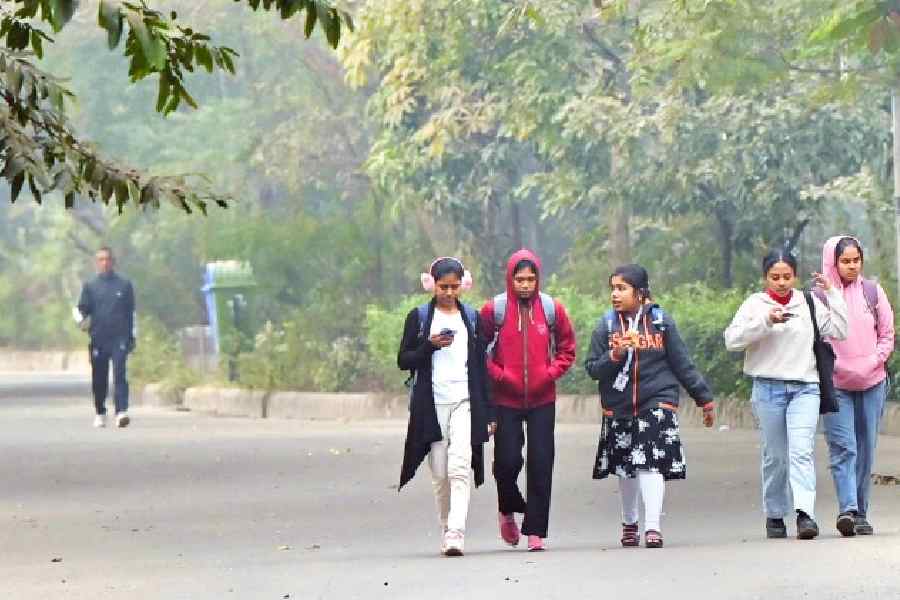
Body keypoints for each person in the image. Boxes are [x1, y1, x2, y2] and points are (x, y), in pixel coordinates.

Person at [585, 264, 714, 549]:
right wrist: (615, 353)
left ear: (640, 292)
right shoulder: (606, 325)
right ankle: (630, 522)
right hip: (619, 406)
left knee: (650, 461)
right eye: (613, 289)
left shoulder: (660, 323)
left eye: (622, 288)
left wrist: (704, 398)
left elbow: (682, 363)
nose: (615, 295)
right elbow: (593, 369)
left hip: (657, 400)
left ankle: (653, 526)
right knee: (626, 467)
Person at [724, 249, 848, 540]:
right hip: (768, 388)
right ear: (765, 277)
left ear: (795, 276)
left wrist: (832, 294)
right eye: (774, 277)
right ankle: (775, 513)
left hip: (805, 387)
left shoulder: (808, 303)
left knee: (801, 451)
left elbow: (841, 330)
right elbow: (732, 340)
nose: (781, 283)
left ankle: (805, 514)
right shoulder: (755, 304)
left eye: (787, 276)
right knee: (775, 456)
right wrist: (765, 321)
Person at [480, 249, 576, 552]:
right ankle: (507, 508)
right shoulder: (493, 310)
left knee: (541, 462)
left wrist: (549, 373)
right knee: (507, 462)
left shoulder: (551, 309)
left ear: (538, 279)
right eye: (519, 279)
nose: (525, 284)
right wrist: (499, 375)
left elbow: (567, 349)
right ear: (510, 278)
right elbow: (478, 351)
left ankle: (536, 530)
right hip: (505, 400)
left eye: (530, 279)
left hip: (541, 399)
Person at [397, 257, 494, 557]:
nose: (449, 293)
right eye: (443, 287)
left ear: (463, 284)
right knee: (440, 473)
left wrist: (488, 412)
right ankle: (445, 524)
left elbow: (481, 366)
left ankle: (456, 531)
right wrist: (429, 346)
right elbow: (404, 360)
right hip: (432, 404)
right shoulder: (420, 317)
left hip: (465, 400)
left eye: (454, 287)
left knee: (460, 466)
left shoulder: (472, 319)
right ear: (432, 284)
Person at [819, 236, 894, 537]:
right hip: (837, 384)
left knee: (866, 448)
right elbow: (820, 341)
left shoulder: (873, 293)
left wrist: (871, 362)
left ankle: (861, 511)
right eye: (845, 261)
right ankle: (847, 509)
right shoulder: (820, 296)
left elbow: (887, 335)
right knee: (843, 447)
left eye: (856, 260)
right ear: (832, 262)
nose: (851, 266)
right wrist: (842, 367)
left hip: (873, 382)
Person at [77, 246, 136, 428]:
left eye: (107, 259)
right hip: (98, 338)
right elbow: (81, 310)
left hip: (119, 337)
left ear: (113, 261)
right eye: (101, 259)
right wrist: (80, 321)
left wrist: (132, 336)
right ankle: (100, 411)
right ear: (97, 263)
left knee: (120, 374)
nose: (105, 263)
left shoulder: (124, 285)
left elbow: (131, 313)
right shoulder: (90, 286)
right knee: (99, 377)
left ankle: (121, 411)